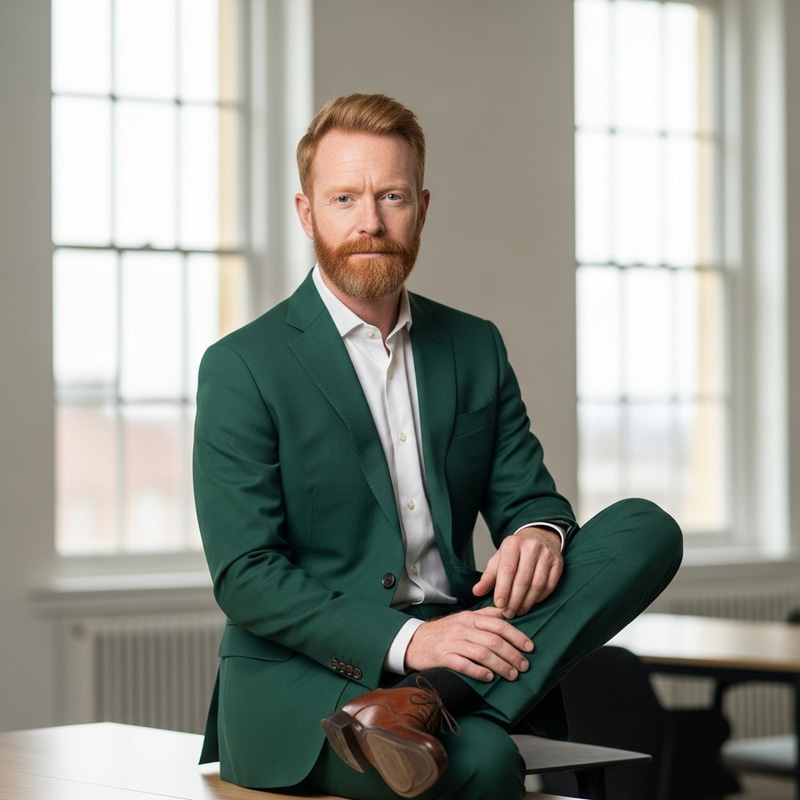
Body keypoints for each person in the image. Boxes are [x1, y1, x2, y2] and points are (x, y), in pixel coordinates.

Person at [194, 93, 683, 800]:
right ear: (307, 213)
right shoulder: (243, 365)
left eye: (391, 195)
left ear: (421, 206)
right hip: (305, 682)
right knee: (481, 762)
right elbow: (244, 574)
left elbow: (531, 497)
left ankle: (425, 698)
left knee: (645, 528)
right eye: (344, 198)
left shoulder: (473, 345)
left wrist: (538, 534)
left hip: (461, 639)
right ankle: (424, 692)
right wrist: (411, 643)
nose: (370, 221)